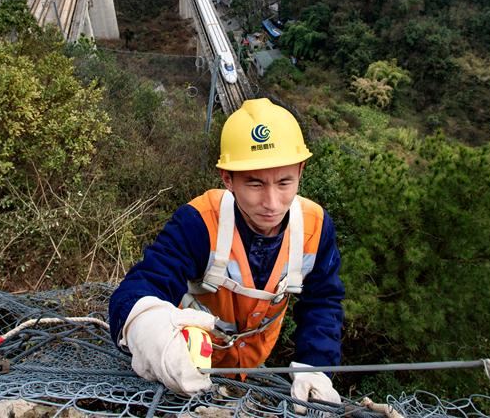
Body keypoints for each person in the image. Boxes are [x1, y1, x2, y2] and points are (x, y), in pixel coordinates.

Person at [109, 98, 345, 407]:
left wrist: (317, 366)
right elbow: (145, 282)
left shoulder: (315, 227)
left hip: (248, 365)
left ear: (301, 171)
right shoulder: (200, 222)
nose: (272, 203)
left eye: (285, 182)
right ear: (227, 179)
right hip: (186, 361)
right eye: (255, 184)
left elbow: (323, 300)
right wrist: (146, 326)